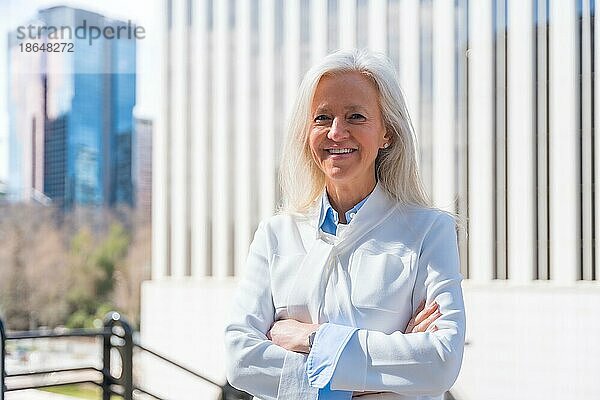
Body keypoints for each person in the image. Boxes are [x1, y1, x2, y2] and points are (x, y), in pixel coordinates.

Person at [224, 49, 465, 400]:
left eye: (356, 116)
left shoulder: (430, 232)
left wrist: (313, 339)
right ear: (306, 132)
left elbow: (441, 361)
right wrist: (376, 384)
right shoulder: (275, 235)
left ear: (387, 133)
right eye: (322, 117)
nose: (337, 132)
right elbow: (240, 361)